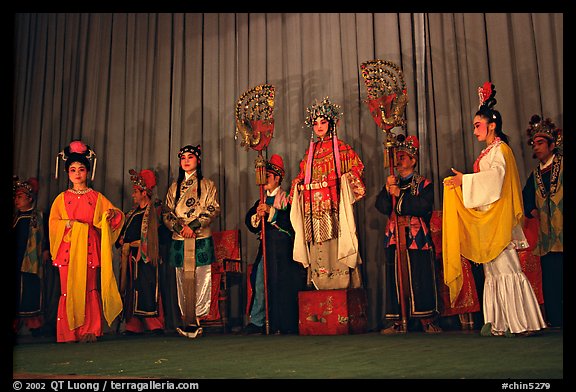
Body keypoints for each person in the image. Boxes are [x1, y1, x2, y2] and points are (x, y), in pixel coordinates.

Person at [443, 82, 546, 337]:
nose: (474, 130)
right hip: (489, 220)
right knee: (493, 270)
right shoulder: (488, 152)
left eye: (478, 125)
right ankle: (501, 322)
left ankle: (523, 323)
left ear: (492, 125)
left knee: (507, 268)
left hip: (499, 220)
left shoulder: (500, 150)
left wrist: (465, 180)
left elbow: (496, 179)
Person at [49, 140, 125, 343]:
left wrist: (109, 216)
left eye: (81, 169)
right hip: (68, 250)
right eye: (72, 169)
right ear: (67, 173)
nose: (77, 173)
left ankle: (90, 330)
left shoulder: (96, 198)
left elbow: (114, 217)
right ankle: (68, 332)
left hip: (90, 249)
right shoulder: (61, 198)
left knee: (90, 288)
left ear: (88, 172)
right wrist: (71, 225)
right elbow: (54, 223)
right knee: (67, 290)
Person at [290, 97, 366, 290]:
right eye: (315, 124)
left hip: (335, 206)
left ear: (332, 123)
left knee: (338, 243)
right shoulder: (311, 152)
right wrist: (298, 183)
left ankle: (342, 282)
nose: (319, 127)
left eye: (323, 122)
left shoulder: (342, 148)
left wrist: (344, 180)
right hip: (314, 210)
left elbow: (357, 170)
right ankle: (319, 284)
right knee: (318, 247)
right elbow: (302, 175)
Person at [375, 136, 442, 334]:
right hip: (395, 235)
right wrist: (388, 191)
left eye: (403, 157)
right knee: (395, 276)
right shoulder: (392, 182)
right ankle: (398, 320)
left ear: (413, 160)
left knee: (420, 275)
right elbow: (382, 207)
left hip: (416, 237)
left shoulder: (424, 183)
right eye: (397, 156)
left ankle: (426, 319)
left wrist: (400, 195)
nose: (399, 160)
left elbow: (423, 206)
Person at [243, 154, 306, 335]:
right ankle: (258, 321)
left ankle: (284, 323)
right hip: (266, 248)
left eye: (268, 177)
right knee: (260, 281)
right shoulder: (260, 201)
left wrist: (272, 212)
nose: (265, 181)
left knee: (283, 285)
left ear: (277, 178)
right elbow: (250, 222)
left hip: (283, 250)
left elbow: (292, 222)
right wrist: (257, 216)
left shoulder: (287, 199)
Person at [162, 144, 221, 339]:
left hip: (199, 235)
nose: (186, 161)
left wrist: (193, 226)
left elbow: (213, 208)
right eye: (183, 158)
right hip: (180, 237)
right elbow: (166, 213)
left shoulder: (207, 185)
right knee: (181, 278)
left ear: (198, 160)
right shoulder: (174, 187)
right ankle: (186, 318)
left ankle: (196, 318)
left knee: (201, 276)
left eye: (190, 157)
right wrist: (180, 228)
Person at [521, 114, 563, 329]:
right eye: (534, 144)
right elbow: (526, 197)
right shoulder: (536, 174)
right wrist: (532, 210)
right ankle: (556, 319)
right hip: (548, 236)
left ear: (552, 144)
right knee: (551, 277)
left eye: (540, 143)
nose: (536, 148)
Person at [116, 169, 165, 335]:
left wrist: (138, 244)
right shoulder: (131, 213)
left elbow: (160, 234)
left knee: (147, 287)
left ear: (145, 193)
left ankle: (154, 323)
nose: (133, 195)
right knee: (131, 289)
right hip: (130, 257)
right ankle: (133, 324)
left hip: (145, 255)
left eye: (136, 192)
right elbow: (122, 232)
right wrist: (122, 241)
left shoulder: (154, 211)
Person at [13, 176, 50, 336]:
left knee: (31, 290)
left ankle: (34, 324)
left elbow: (47, 236)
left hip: (31, 261)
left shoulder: (40, 217)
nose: (16, 200)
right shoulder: (15, 218)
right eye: (16, 197)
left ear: (29, 198)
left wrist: (45, 250)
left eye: (20, 197)